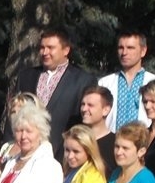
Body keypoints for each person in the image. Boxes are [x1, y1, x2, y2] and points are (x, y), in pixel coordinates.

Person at [13, 28, 97, 158]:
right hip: (25, 152)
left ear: (66, 50)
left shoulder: (83, 80)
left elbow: (84, 123)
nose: (45, 52)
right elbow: (14, 114)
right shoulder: (26, 76)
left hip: (62, 154)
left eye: (50, 48)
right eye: (42, 48)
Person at [98, 30, 155, 132]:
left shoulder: (154, 82)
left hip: (144, 139)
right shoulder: (105, 83)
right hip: (112, 140)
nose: (124, 53)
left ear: (143, 51)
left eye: (130, 48)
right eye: (121, 48)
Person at [79, 85, 115, 179]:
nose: (84, 109)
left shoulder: (115, 144)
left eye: (90, 105)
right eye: (83, 104)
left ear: (105, 110)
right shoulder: (75, 140)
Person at [0, 92, 41, 166]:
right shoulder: (6, 146)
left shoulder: (35, 146)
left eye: (20, 111)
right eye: (13, 112)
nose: (16, 115)